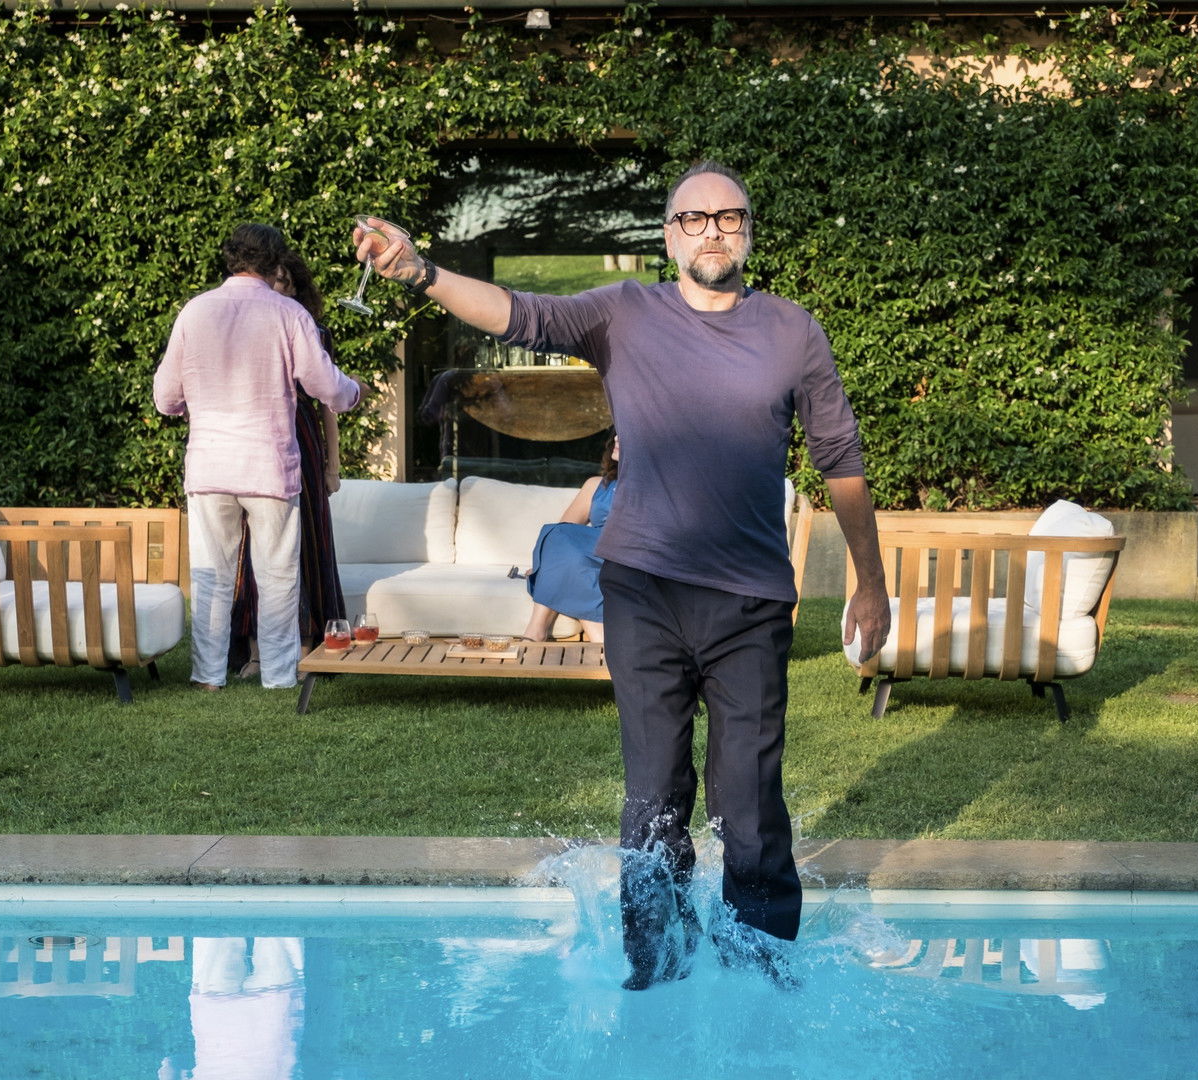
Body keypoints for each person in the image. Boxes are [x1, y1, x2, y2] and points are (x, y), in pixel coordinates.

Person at [352, 161, 890, 990]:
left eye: (729, 216)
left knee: (749, 804)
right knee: (653, 798)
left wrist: (870, 582)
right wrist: (422, 273)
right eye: (694, 218)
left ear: (749, 231)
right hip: (643, 593)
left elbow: (841, 460)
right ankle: (657, 970)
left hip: (750, 602)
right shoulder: (624, 313)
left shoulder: (793, 332)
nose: (713, 230)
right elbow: (521, 313)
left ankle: (759, 979)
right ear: (669, 237)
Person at [154, 224, 363, 691]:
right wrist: (354, 392)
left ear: (230, 260)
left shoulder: (194, 311)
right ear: (273, 262)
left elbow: (166, 397)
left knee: (211, 575)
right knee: (277, 575)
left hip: (209, 465)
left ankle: (208, 676)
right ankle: (279, 676)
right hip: (269, 464)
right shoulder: (289, 313)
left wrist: (196, 404)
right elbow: (325, 387)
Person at [226, 250, 350, 679]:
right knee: (252, 543)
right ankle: (257, 650)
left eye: (283, 282)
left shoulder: (313, 331)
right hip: (256, 440)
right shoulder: (245, 329)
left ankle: (308, 646)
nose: (275, 289)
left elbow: (329, 403)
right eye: (270, 281)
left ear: (296, 289)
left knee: (307, 542)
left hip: (302, 439)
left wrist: (333, 464)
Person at [523, 434, 620, 643]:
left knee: (566, 558)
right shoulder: (596, 485)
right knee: (558, 535)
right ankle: (538, 630)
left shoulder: (655, 489)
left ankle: (534, 635)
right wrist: (547, 562)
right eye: (616, 433)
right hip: (592, 558)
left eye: (624, 433)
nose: (616, 438)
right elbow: (564, 533)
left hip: (622, 557)